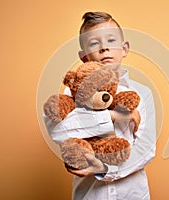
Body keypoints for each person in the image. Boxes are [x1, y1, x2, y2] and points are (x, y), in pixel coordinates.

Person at [45, 12, 156, 200]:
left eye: (111, 40)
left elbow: (146, 149)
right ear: (84, 57)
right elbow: (59, 132)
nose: (104, 48)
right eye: (94, 43)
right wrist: (114, 117)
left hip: (132, 194)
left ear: (124, 49)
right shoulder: (70, 94)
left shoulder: (142, 93)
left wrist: (104, 169)